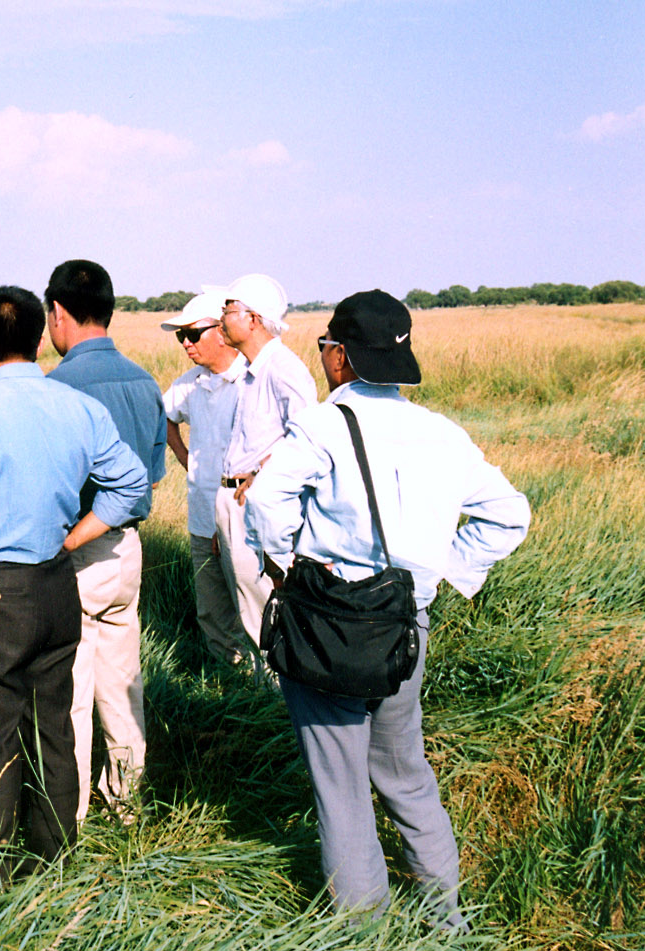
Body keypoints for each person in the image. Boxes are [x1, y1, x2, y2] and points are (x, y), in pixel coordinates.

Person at [244, 289, 530, 926]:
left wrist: (285, 566)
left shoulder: (321, 425)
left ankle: (364, 927)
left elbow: (266, 505)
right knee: (405, 772)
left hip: (329, 628)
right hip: (406, 627)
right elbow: (510, 516)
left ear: (340, 355)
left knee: (341, 788)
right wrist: (439, 573)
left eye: (325, 347)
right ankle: (443, 917)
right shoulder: (442, 434)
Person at [0, 285, 148, 881]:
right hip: (54, 585)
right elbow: (131, 486)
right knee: (53, 734)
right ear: (40, 338)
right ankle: (54, 867)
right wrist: (73, 536)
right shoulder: (77, 407)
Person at [43, 259, 166, 824]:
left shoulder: (57, 388)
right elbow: (154, 472)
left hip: (77, 546)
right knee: (121, 683)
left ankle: (69, 815)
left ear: (58, 313)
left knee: (70, 688)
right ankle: (127, 803)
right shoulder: (145, 382)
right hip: (128, 550)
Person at [216, 273, 317, 661]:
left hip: (257, 505)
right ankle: (266, 688)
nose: (222, 319)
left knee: (264, 603)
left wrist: (262, 475)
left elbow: (309, 436)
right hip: (236, 501)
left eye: (228, 310)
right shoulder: (249, 370)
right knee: (248, 601)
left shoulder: (283, 368)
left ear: (253, 319)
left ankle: (277, 695)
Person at [160, 287, 251, 665]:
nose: (186, 344)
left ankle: (266, 693)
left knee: (252, 608)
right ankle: (226, 683)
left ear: (222, 330)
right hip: (201, 516)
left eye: (193, 334)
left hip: (244, 518)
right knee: (212, 610)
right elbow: (163, 417)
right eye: (182, 336)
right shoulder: (188, 384)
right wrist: (184, 457)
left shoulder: (251, 380)